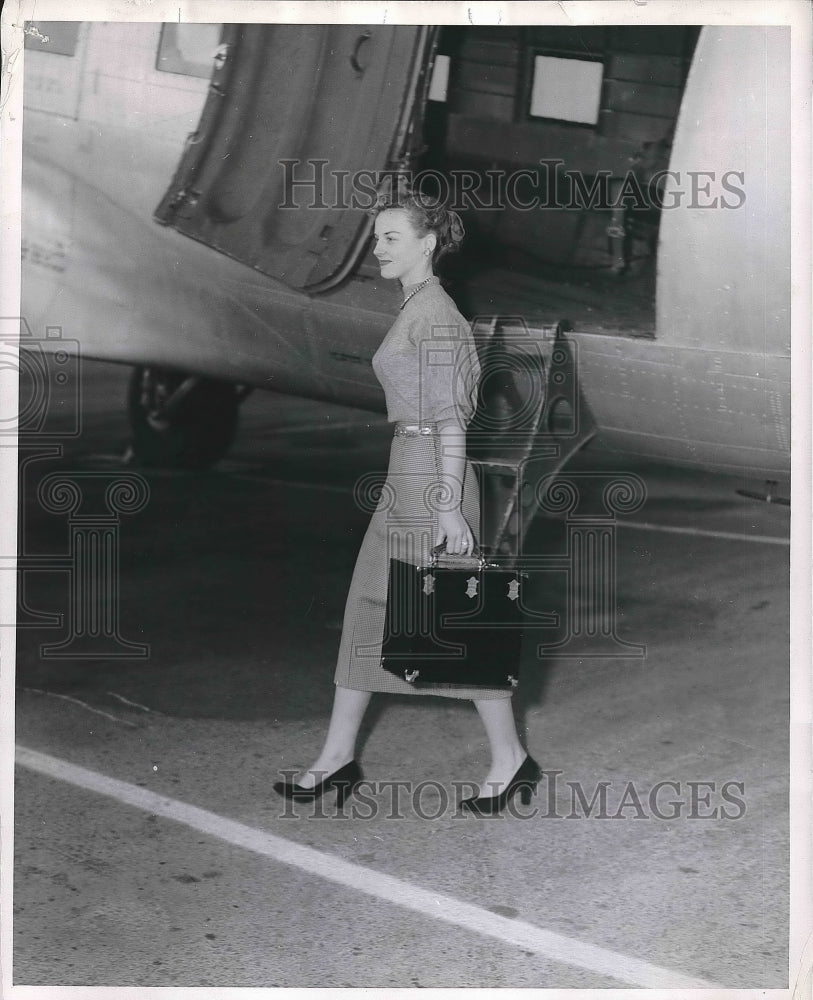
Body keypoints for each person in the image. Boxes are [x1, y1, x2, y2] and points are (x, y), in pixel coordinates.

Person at [273, 191, 538, 815]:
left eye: (391, 237)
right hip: (406, 473)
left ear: (427, 243)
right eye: (376, 237)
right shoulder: (416, 305)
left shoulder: (438, 315)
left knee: (446, 622)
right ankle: (337, 759)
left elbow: (452, 422)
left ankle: (510, 759)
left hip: (431, 482)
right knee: (368, 608)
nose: (377, 248)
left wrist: (448, 508)